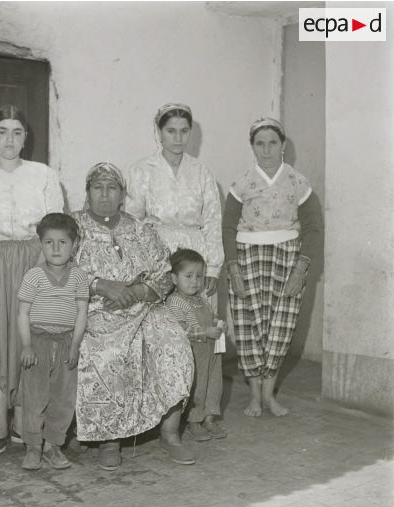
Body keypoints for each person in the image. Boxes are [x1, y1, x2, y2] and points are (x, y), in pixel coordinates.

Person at [73, 162, 195, 471]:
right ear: (87, 193)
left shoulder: (141, 229)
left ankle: (170, 433)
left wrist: (139, 292)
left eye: (111, 188)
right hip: (96, 310)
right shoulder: (74, 228)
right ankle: (109, 439)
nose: (104, 195)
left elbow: (166, 274)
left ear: (122, 194)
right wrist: (100, 285)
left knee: (173, 343)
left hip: (143, 307)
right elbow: (57, 271)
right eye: (97, 188)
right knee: (106, 352)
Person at [0, 105, 64, 454]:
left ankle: (24, 417)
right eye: (2, 131)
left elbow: (54, 228)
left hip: (34, 260)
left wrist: (38, 275)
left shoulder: (44, 175)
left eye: (17, 132)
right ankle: (0, 420)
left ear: (26, 137)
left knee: (29, 338)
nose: (9, 139)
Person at [222, 117, 323, 417]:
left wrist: (300, 269)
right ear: (252, 147)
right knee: (249, 328)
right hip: (247, 258)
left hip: (287, 259)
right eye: (259, 144)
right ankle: (254, 397)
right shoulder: (241, 184)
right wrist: (234, 268)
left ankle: (269, 396)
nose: (266, 151)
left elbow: (314, 228)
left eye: (272, 143)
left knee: (280, 328)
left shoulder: (298, 182)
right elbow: (228, 227)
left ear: (283, 146)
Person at [126, 102, 224, 297]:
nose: (178, 138)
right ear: (159, 132)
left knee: (198, 319)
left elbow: (212, 221)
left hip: (196, 258)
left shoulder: (201, 172)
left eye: (184, 131)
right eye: (171, 131)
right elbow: (131, 221)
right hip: (158, 258)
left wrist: (213, 268)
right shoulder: (142, 170)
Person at [17, 213, 89, 471]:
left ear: (74, 245)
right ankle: (33, 447)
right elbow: (23, 313)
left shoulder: (79, 277)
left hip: (66, 342)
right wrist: (26, 346)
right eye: (49, 243)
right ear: (41, 244)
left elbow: (81, 312)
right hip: (38, 342)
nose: (56, 248)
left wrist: (75, 345)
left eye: (62, 242)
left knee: (63, 398)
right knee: (35, 397)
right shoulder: (34, 276)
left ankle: (53, 446)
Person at [166, 249, 228, 441]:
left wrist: (219, 323)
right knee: (198, 386)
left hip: (213, 350)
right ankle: (194, 421)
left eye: (199, 276)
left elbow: (212, 316)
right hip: (194, 351)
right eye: (189, 276)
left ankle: (209, 418)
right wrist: (204, 332)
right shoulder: (175, 301)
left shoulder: (202, 299)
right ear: (174, 278)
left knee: (214, 384)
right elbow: (180, 330)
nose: (195, 281)